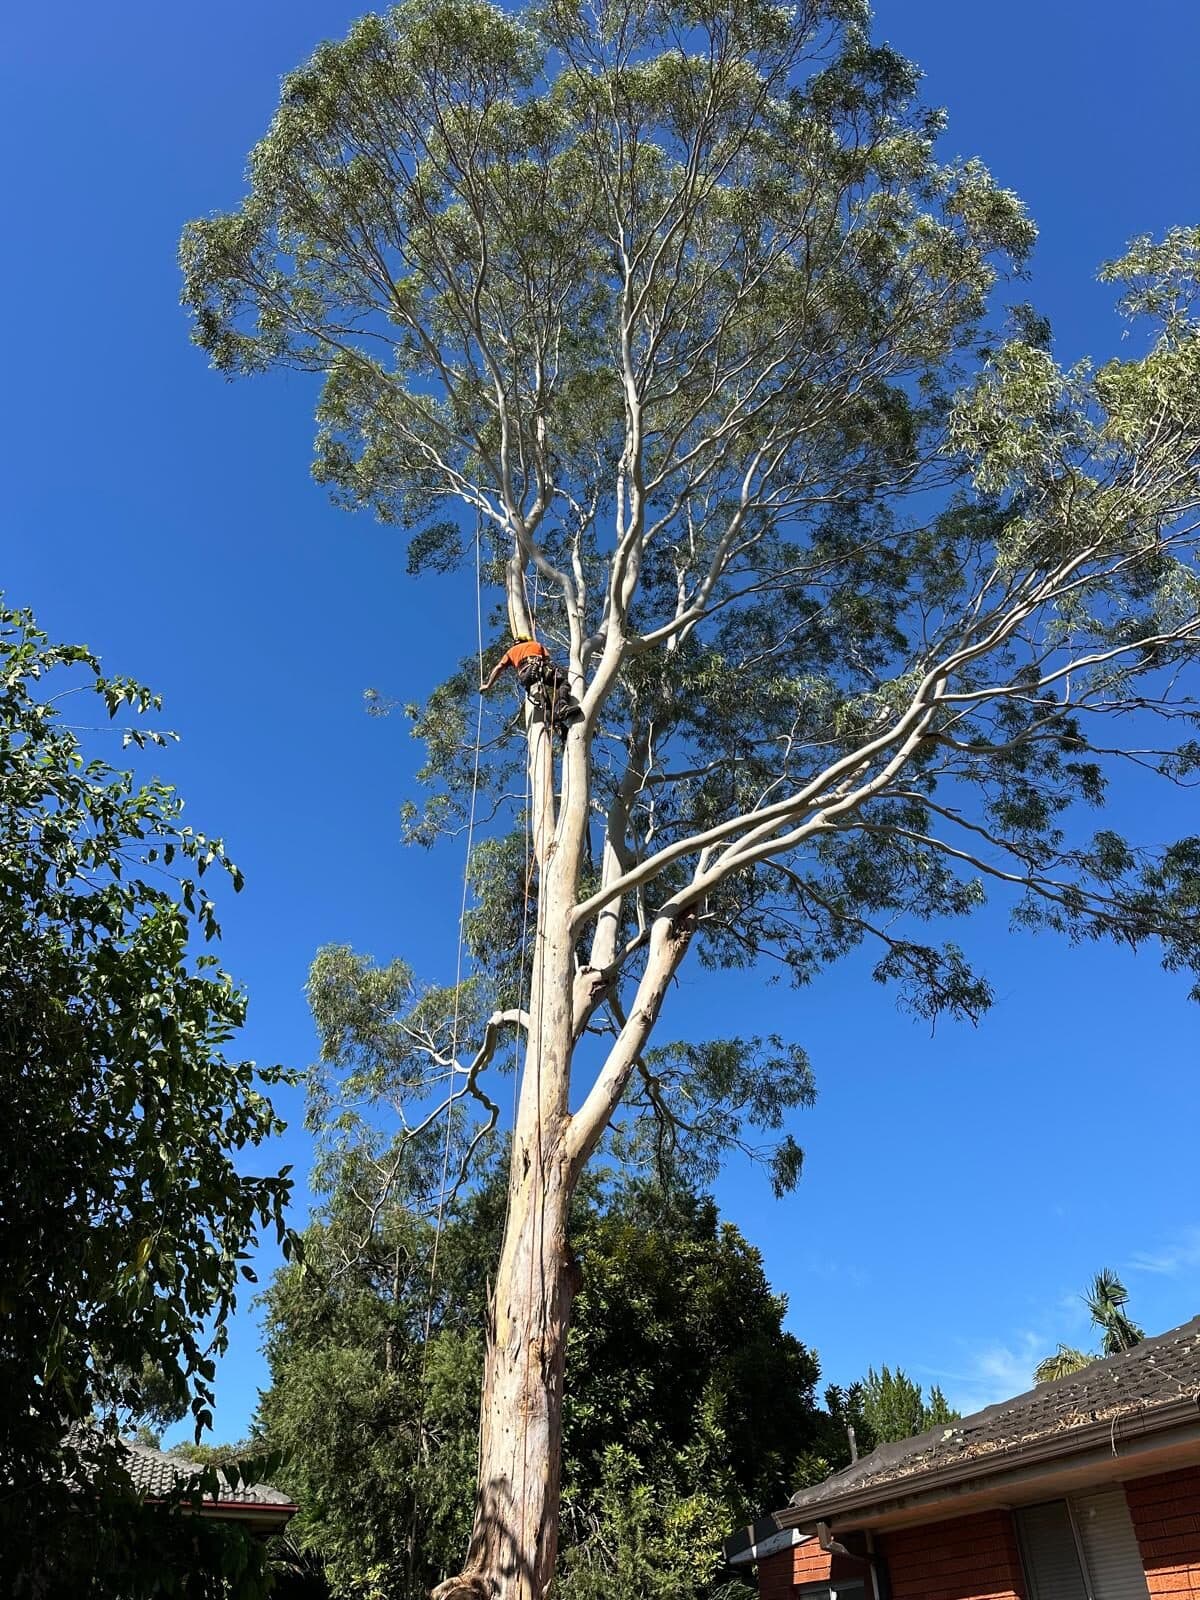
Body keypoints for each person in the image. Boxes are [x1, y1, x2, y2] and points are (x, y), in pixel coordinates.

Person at [481, 634, 582, 730]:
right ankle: (562, 707)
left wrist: (488, 685)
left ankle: (558, 726)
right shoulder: (536, 644)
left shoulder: (511, 651)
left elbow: (499, 667)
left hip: (526, 676)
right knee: (563, 682)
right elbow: (548, 660)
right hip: (540, 668)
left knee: (546, 704)